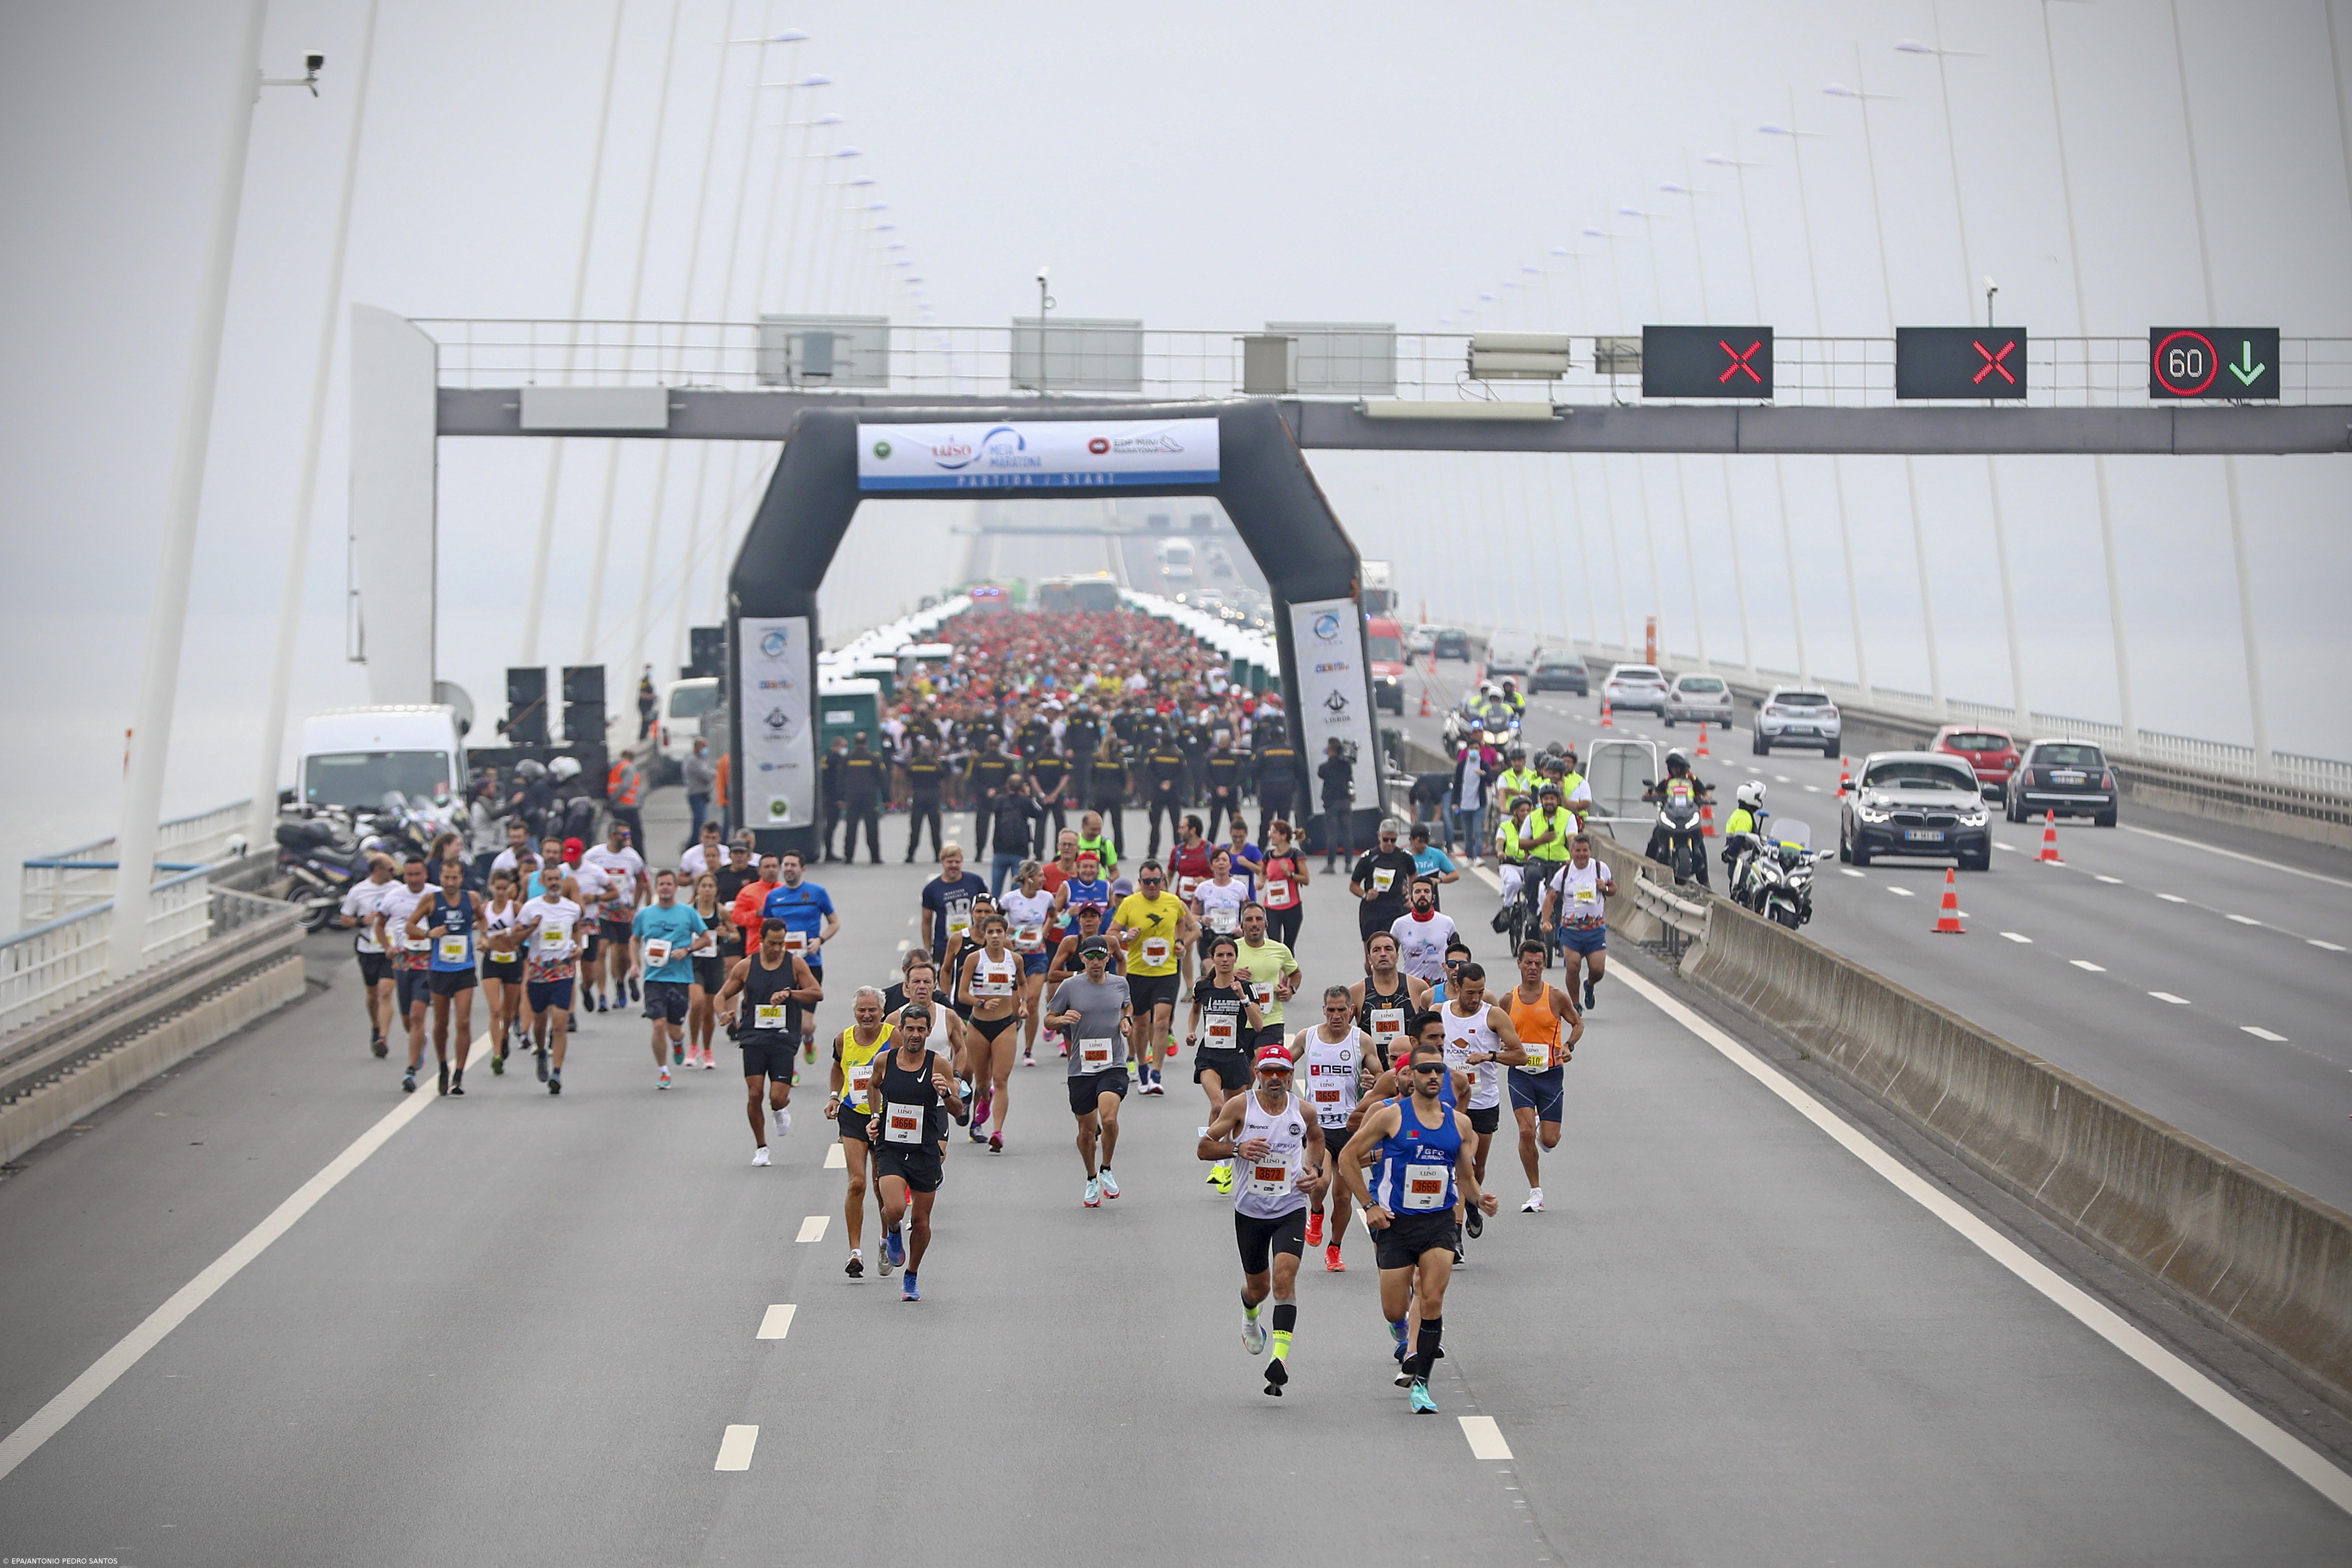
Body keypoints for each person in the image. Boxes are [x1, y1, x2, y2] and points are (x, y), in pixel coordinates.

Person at [1335, 1022, 1498, 1415]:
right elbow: (1347, 1158)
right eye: (1425, 1070)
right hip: (1396, 1223)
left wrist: (1480, 1199)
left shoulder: (1459, 1124)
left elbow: (1465, 1176)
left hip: (1439, 1221)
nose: (1432, 1076)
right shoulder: (1391, 1117)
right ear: (1411, 1075)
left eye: (1439, 1070)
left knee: (1432, 1298)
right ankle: (1400, 1329)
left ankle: (1422, 1384)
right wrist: (1369, 1205)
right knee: (1395, 1309)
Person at [1197, 1044, 1326, 1397]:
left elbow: (1317, 1140)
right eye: (1268, 1071)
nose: (1275, 1078)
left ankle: (1279, 1361)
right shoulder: (1241, 1107)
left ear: (1291, 1075)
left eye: (1282, 1072)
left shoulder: (1303, 1111)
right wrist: (1237, 1149)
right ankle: (1250, 1313)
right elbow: (1204, 1148)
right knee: (1260, 1289)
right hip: (1250, 1213)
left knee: (1284, 1280)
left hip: (1290, 1207)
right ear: (1257, 1074)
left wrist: (1314, 1170)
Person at [867, 1003, 965, 1301]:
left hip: (924, 1149)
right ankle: (893, 1230)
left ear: (928, 1031)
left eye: (921, 1029)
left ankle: (911, 1275)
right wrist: (875, 1117)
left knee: (921, 1222)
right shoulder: (885, 1061)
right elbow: (873, 1086)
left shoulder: (939, 1065)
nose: (915, 1035)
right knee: (895, 1208)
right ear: (901, 1030)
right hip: (891, 1147)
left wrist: (945, 1093)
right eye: (910, 1029)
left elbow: (958, 1111)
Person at [717, 918, 823, 1163]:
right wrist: (722, 1014)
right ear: (761, 940)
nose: (777, 949)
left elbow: (817, 993)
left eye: (781, 943)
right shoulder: (746, 966)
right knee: (755, 1093)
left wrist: (790, 993)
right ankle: (762, 1147)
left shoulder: (795, 964)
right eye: (772, 943)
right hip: (754, 1036)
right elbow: (722, 996)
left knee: (777, 1096)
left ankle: (779, 1109)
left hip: (784, 1037)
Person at [1438, 961, 1526, 1242]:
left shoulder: (1494, 1016)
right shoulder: (1439, 1013)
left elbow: (1521, 1056)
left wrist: (1490, 1056)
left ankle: (1471, 1201)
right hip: (1449, 1104)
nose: (1476, 999)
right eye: (1470, 993)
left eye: (1480, 992)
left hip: (1483, 1102)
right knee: (1453, 1166)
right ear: (1457, 987)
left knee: (1475, 1167)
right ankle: (1454, 1232)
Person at [1045, 935, 1132, 1207]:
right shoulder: (1070, 987)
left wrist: (1126, 1020)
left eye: (1101, 957)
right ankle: (1092, 1177)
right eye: (1090, 957)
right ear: (1082, 959)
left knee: (1109, 1119)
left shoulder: (1120, 984)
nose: (1096, 962)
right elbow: (1049, 1019)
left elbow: (1127, 1006)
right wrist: (1062, 1019)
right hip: (1081, 1068)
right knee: (1087, 1130)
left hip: (1113, 1064)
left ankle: (1106, 1168)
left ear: (1108, 958)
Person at [1503, 938, 1582, 1213]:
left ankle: (1542, 1128)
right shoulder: (1508, 1000)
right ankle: (1535, 1192)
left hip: (1550, 1075)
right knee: (1525, 1131)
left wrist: (1568, 1046)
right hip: (1520, 1074)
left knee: (1549, 1140)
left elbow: (1578, 1023)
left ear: (1544, 965)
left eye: (1538, 964)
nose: (1533, 968)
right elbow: (1494, 1029)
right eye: (1528, 963)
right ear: (1519, 964)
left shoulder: (1556, 997)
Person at [1293, 986, 1368, 1272]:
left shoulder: (1361, 1041)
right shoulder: (1308, 1037)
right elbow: (1283, 1063)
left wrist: (1372, 1081)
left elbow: (1381, 1076)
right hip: (1319, 1130)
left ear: (1351, 1011)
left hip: (1350, 1129)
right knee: (1320, 1183)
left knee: (1344, 1197)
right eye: (1331, 1010)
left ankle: (1335, 1249)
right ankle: (1316, 1212)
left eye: (1342, 1010)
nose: (1337, 1016)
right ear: (1324, 1010)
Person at [1109, 859, 1194, 1095]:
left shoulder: (1173, 901)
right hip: (1138, 971)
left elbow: (1183, 923)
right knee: (1140, 1022)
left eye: (1157, 881)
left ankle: (1157, 1073)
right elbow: (1111, 932)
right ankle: (1143, 1067)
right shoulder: (1130, 903)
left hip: (1167, 972)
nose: (1152, 885)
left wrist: (1180, 943)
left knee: (1162, 1022)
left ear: (1163, 881)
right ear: (1140, 882)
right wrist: (1126, 935)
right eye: (1147, 882)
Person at [1186, 933, 1263, 1191]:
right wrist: (1191, 1031)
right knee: (1219, 1106)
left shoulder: (1246, 988)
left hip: (1236, 1057)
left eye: (1230, 955)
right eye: (1220, 955)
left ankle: (1230, 1163)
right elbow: (1195, 1009)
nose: (1225, 959)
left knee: (1236, 1113)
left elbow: (1259, 1025)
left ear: (1236, 958)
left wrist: (1243, 997)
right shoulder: (1203, 987)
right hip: (1209, 1057)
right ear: (1213, 959)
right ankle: (1218, 1161)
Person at [825, 988, 893, 1277]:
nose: (867, 1015)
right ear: (855, 1012)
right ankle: (855, 1252)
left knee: (881, 1187)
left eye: (872, 1010)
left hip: (885, 1117)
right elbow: (838, 1068)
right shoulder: (843, 1039)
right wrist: (834, 1097)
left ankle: (886, 1241)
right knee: (857, 1183)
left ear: (882, 1012)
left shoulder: (893, 1036)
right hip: (853, 1115)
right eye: (862, 1010)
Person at [404, 857, 483, 1096]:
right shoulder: (431, 900)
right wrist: (430, 933)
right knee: (441, 1023)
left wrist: (484, 936)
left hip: (464, 968)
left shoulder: (472, 898)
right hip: (440, 970)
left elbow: (483, 918)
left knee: (464, 1022)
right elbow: (409, 926)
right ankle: (442, 1066)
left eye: (455, 878)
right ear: (440, 878)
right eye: (447, 878)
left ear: (462, 878)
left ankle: (459, 1074)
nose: (450, 883)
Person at [759, 850, 840, 1064]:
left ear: (802, 869)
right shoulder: (774, 897)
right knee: (783, 1022)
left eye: (793, 865)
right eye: (786, 865)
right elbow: (766, 930)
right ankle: (789, 1067)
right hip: (782, 963)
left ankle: (809, 1039)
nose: (788, 869)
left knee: (805, 1025)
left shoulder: (817, 893)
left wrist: (820, 941)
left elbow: (835, 923)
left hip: (810, 963)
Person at [633, 869, 709, 1089]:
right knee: (658, 1025)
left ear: (676, 888)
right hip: (654, 978)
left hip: (680, 978)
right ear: (657, 888)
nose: (665, 888)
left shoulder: (688, 913)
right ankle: (664, 1072)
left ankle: (678, 1042)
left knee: (674, 1029)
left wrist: (687, 950)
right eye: (662, 884)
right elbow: (634, 939)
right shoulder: (646, 914)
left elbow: (706, 939)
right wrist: (635, 964)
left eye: (669, 884)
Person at [955, 912, 1025, 1152]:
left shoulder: (1015, 959)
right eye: (991, 932)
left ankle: (997, 1132)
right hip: (979, 1025)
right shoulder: (975, 959)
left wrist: (1024, 1004)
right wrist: (981, 1003)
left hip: (1006, 1025)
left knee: (1001, 1080)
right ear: (984, 935)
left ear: (1006, 934)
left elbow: (1022, 984)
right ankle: (985, 1099)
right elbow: (962, 994)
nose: (995, 936)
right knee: (983, 1083)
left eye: (1000, 932)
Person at [514, 870, 585, 1093]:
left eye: (557, 879)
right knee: (540, 1024)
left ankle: (557, 1073)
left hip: (563, 972)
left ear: (562, 882)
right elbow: (516, 938)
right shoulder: (531, 908)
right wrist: (532, 928)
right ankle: (542, 1051)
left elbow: (577, 932)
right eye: (550, 880)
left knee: (560, 1024)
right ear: (543, 882)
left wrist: (579, 948)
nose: (554, 883)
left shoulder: (573, 909)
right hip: (538, 973)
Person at [374, 857, 433, 1093]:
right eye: (410, 875)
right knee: (409, 1021)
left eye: (418, 874)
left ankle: (410, 1071)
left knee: (418, 1014)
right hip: (403, 961)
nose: (414, 879)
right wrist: (387, 947)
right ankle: (421, 1041)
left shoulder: (436, 895)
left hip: (427, 961)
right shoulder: (393, 897)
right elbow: (380, 925)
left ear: (426, 874)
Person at [1541, 832, 1617, 1011]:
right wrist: (1546, 921)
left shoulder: (1600, 868)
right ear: (1572, 852)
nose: (1582, 854)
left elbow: (1614, 889)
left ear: (1590, 851)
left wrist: (1605, 888)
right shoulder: (1565, 873)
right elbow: (1550, 898)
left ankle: (1589, 985)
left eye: (1585, 851)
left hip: (1595, 930)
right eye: (1578, 851)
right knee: (1573, 967)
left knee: (1598, 970)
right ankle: (1575, 1005)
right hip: (1571, 930)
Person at [337, 852, 399, 1057]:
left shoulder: (397, 889)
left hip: (390, 948)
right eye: (390, 869)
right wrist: (361, 921)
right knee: (373, 995)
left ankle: (383, 1037)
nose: (394, 873)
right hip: (368, 948)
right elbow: (345, 919)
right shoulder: (358, 891)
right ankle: (376, 1026)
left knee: (386, 991)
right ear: (378, 870)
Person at [998, 859, 1059, 1068]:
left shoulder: (1046, 897)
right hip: (1015, 956)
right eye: (1041, 876)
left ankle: (1028, 1050)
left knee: (1032, 1002)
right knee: (1015, 1007)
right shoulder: (1011, 899)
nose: (1044, 879)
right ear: (1029, 878)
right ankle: (1013, 1030)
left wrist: (1045, 932)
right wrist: (1011, 932)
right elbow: (996, 921)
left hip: (1038, 955)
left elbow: (1054, 915)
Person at [583, 821, 649, 1009]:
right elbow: (583, 871)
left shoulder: (632, 857)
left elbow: (642, 881)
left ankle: (621, 982)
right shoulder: (595, 854)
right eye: (624, 835)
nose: (627, 838)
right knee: (602, 950)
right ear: (612, 836)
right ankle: (602, 995)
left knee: (623, 955)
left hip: (623, 911)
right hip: (602, 910)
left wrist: (635, 906)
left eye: (629, 834)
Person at [1349, 930, 1432, 1074]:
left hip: (1410, 1072)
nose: (1383, 954)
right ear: (1369, 959)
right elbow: (1342, 1033)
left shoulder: (1418, 987)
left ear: (1397, 956)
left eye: (1388, 949)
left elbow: (1431, 1031)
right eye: (1377, 950)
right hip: (1373, 1074)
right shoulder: (1357, 992)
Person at [1231, 901, 1299, 1051]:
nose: (1255, 924)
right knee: (1248, 1065)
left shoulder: (1280, 950)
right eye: (1249, 920)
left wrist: (1291, 990)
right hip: (1240, 1021)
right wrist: (1233, 977)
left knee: (1263, 1059)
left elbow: (1296, 974)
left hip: (1271, 1021)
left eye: (1259, 919)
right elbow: (1215, 979)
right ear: (1242, 926)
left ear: (1266, 924)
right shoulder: (1232, 950)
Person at [479, 867, 527, 1071]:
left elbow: (525, 929)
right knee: (496, 1010)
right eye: (497, 888)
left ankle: (505, 1034)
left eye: (504, 889)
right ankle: (497, 1054)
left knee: (508, 1013)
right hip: (492, 962)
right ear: (491, 887)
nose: (500, 892)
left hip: (512, 962)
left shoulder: (515, 908)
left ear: (510, 889)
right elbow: (481, 932)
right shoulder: (485, 909)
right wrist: (483, 941)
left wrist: (511, 933)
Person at [1349, 818, 1418, 943]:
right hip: (1372, 910)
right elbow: (1354, 886)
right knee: (1372, 951)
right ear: (1379, 836)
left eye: (1393, 840)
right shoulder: (1368, 858)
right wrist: (1366, 895)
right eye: (1386, 840)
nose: (1390, 844)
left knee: (1390, 949)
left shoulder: (1405, 857)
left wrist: (1411, 895)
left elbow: (1414, 876)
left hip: (1395, 909)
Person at [684, 871, 726, 1069]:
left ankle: (707, 1051)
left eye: (711, 886)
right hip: (693, 964)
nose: (707, 890)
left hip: (714, 965)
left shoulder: (721, 911)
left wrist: (726, 934)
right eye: (704, 886)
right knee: (697, 1003)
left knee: (709, 1012)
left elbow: (735, 935)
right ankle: (693, 1046)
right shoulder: (689, 911)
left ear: (716, 890)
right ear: (698, 890)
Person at [1389, 878, 1458, 988]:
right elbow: (1390, 955)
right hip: (1411, 987)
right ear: (1411, 897)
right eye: (1418, 892)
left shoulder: (1447, 923)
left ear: (1433, 897)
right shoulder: (1400, 924)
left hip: (1441, 986)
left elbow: (1458, 955)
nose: (1422, 895)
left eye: (1427, 891)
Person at [986, 773, 1045, 896]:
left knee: (996, 889)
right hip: (1020, 851)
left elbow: (991, 808)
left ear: (1008, 786)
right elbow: (1040, 813)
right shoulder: (1026, 802)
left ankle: (994, 906)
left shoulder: (1000, 800)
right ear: (1023, 787)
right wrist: (1029, 797)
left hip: (1000, 850)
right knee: (1017, 890)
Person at [1190, 846, 1249, 960]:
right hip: (1210, 936)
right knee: (1210, 969)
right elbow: (1192, 915)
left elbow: (1248, 913)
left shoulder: (1240, 887)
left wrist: (1241, 928)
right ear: (1212, 866)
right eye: (1217, 861)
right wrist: (1202, 919)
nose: (1221, 863)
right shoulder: (1203, 888)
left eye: (1225, 860)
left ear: (1230, 865)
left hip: (1233, 935)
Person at [836, 732, 885, 864]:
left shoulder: (847, 758)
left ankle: (849, 857)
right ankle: (875, 857)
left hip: (852, 798)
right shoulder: (874, 758)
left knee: (851, 828)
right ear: (867, 743)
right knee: (872, 828)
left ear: (855, 743)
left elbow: (841, 779)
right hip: (870, 798)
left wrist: (841, 798)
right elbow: (882, 779)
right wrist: (886, 798)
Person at [902, 737, 947, 863]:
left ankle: (910, 855)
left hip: (918, 796)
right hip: (933, 796)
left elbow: (907, 780)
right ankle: (938, 855)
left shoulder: (913, 763)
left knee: (915, 828)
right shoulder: (936, 764)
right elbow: (943, 779)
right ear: (932, 750)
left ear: (920, 750)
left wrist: (907, 796)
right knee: (936, 829)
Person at [1316, 739, 1355, 873]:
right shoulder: (1347, 766)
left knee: (1332, 834)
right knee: (1348, 833)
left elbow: (1321, 775)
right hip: (1345, 802)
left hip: (1331, 803)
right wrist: (1352, 795)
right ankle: (1349, 864)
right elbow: (1351, 782)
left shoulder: (1324, 768)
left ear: (1330, 750)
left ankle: (1331, 864)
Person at [1407, 822, 1460, 903]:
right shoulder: (1405, 855)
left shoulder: (1437, 854)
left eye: (1426, 842)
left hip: (1432, 903)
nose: (1424, 845)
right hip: (1410, 902)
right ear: (1412, 840)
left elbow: (1455, 875)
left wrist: (1439, 880)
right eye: (1421, 842)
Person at [681, 736, 718, 843]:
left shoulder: (700, 760)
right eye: (704, 747)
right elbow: (707, 775)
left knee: (701, 821)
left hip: (702, 795)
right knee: (700, 822)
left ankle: (696, 842)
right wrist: (717, 773)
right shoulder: (693, 761)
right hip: (697, 795)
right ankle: (694, 844)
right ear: (697, 747)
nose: (706, 749)